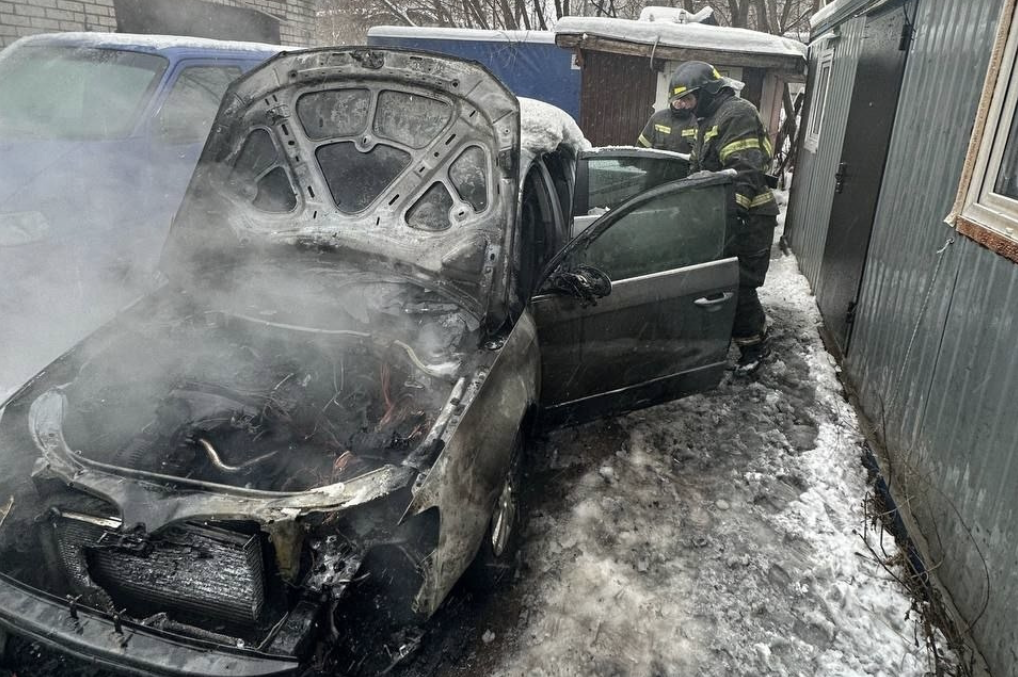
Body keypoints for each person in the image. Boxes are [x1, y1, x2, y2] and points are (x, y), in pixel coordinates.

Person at [672, 61, 778, 376]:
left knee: (739, 284)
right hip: (723, 216)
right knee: (721, 282)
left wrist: (736, 216)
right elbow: (700, 170)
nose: (685, 107)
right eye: (681, 101)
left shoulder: (737, 114)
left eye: (689, 99)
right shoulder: (710, 119)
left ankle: (755, 349)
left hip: (749, 217)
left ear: (706, 91)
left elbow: (744, 170)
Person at [637, 80, 699, 154]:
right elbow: (641, 148)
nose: (680, 102)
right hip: (658, 165)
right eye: (678, 97)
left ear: (694, 102)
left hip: (683, 165)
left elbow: (699, 155)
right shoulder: (657, 119)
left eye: (688, 99)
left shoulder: (696, 122)